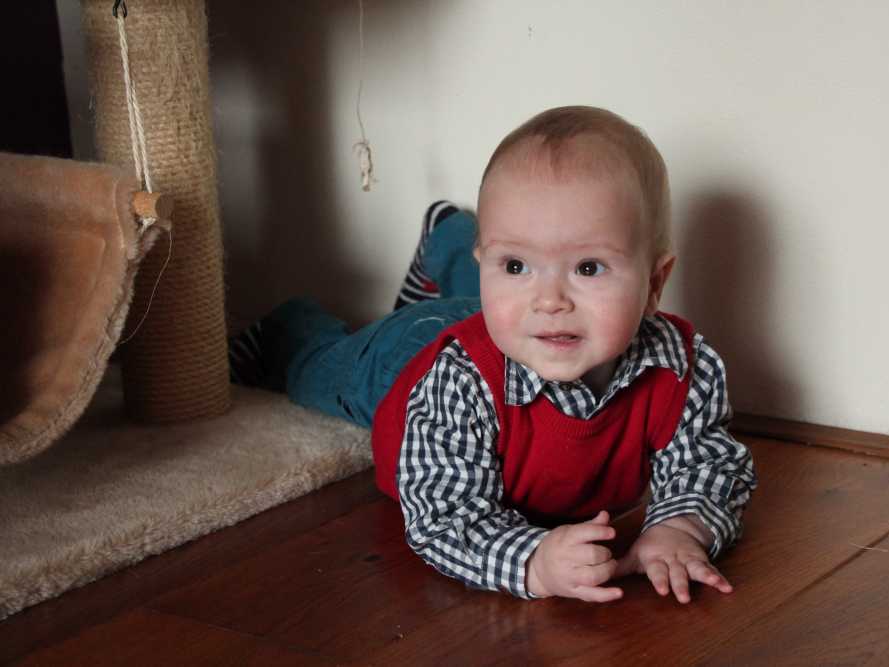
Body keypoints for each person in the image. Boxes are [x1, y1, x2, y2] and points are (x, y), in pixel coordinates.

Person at [229, 106, 756, 603]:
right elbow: (442, 514)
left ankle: (449, 238)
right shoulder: (457, 383)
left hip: (505, 325)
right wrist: (532, 562)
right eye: (515, 265)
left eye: (588, 268)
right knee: (320, 370)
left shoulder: (680, 367)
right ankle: (291, 329)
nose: (551, 300)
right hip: (405, 356)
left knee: (505, 307)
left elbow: (707, 463)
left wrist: (679, 527)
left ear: (655, 283)